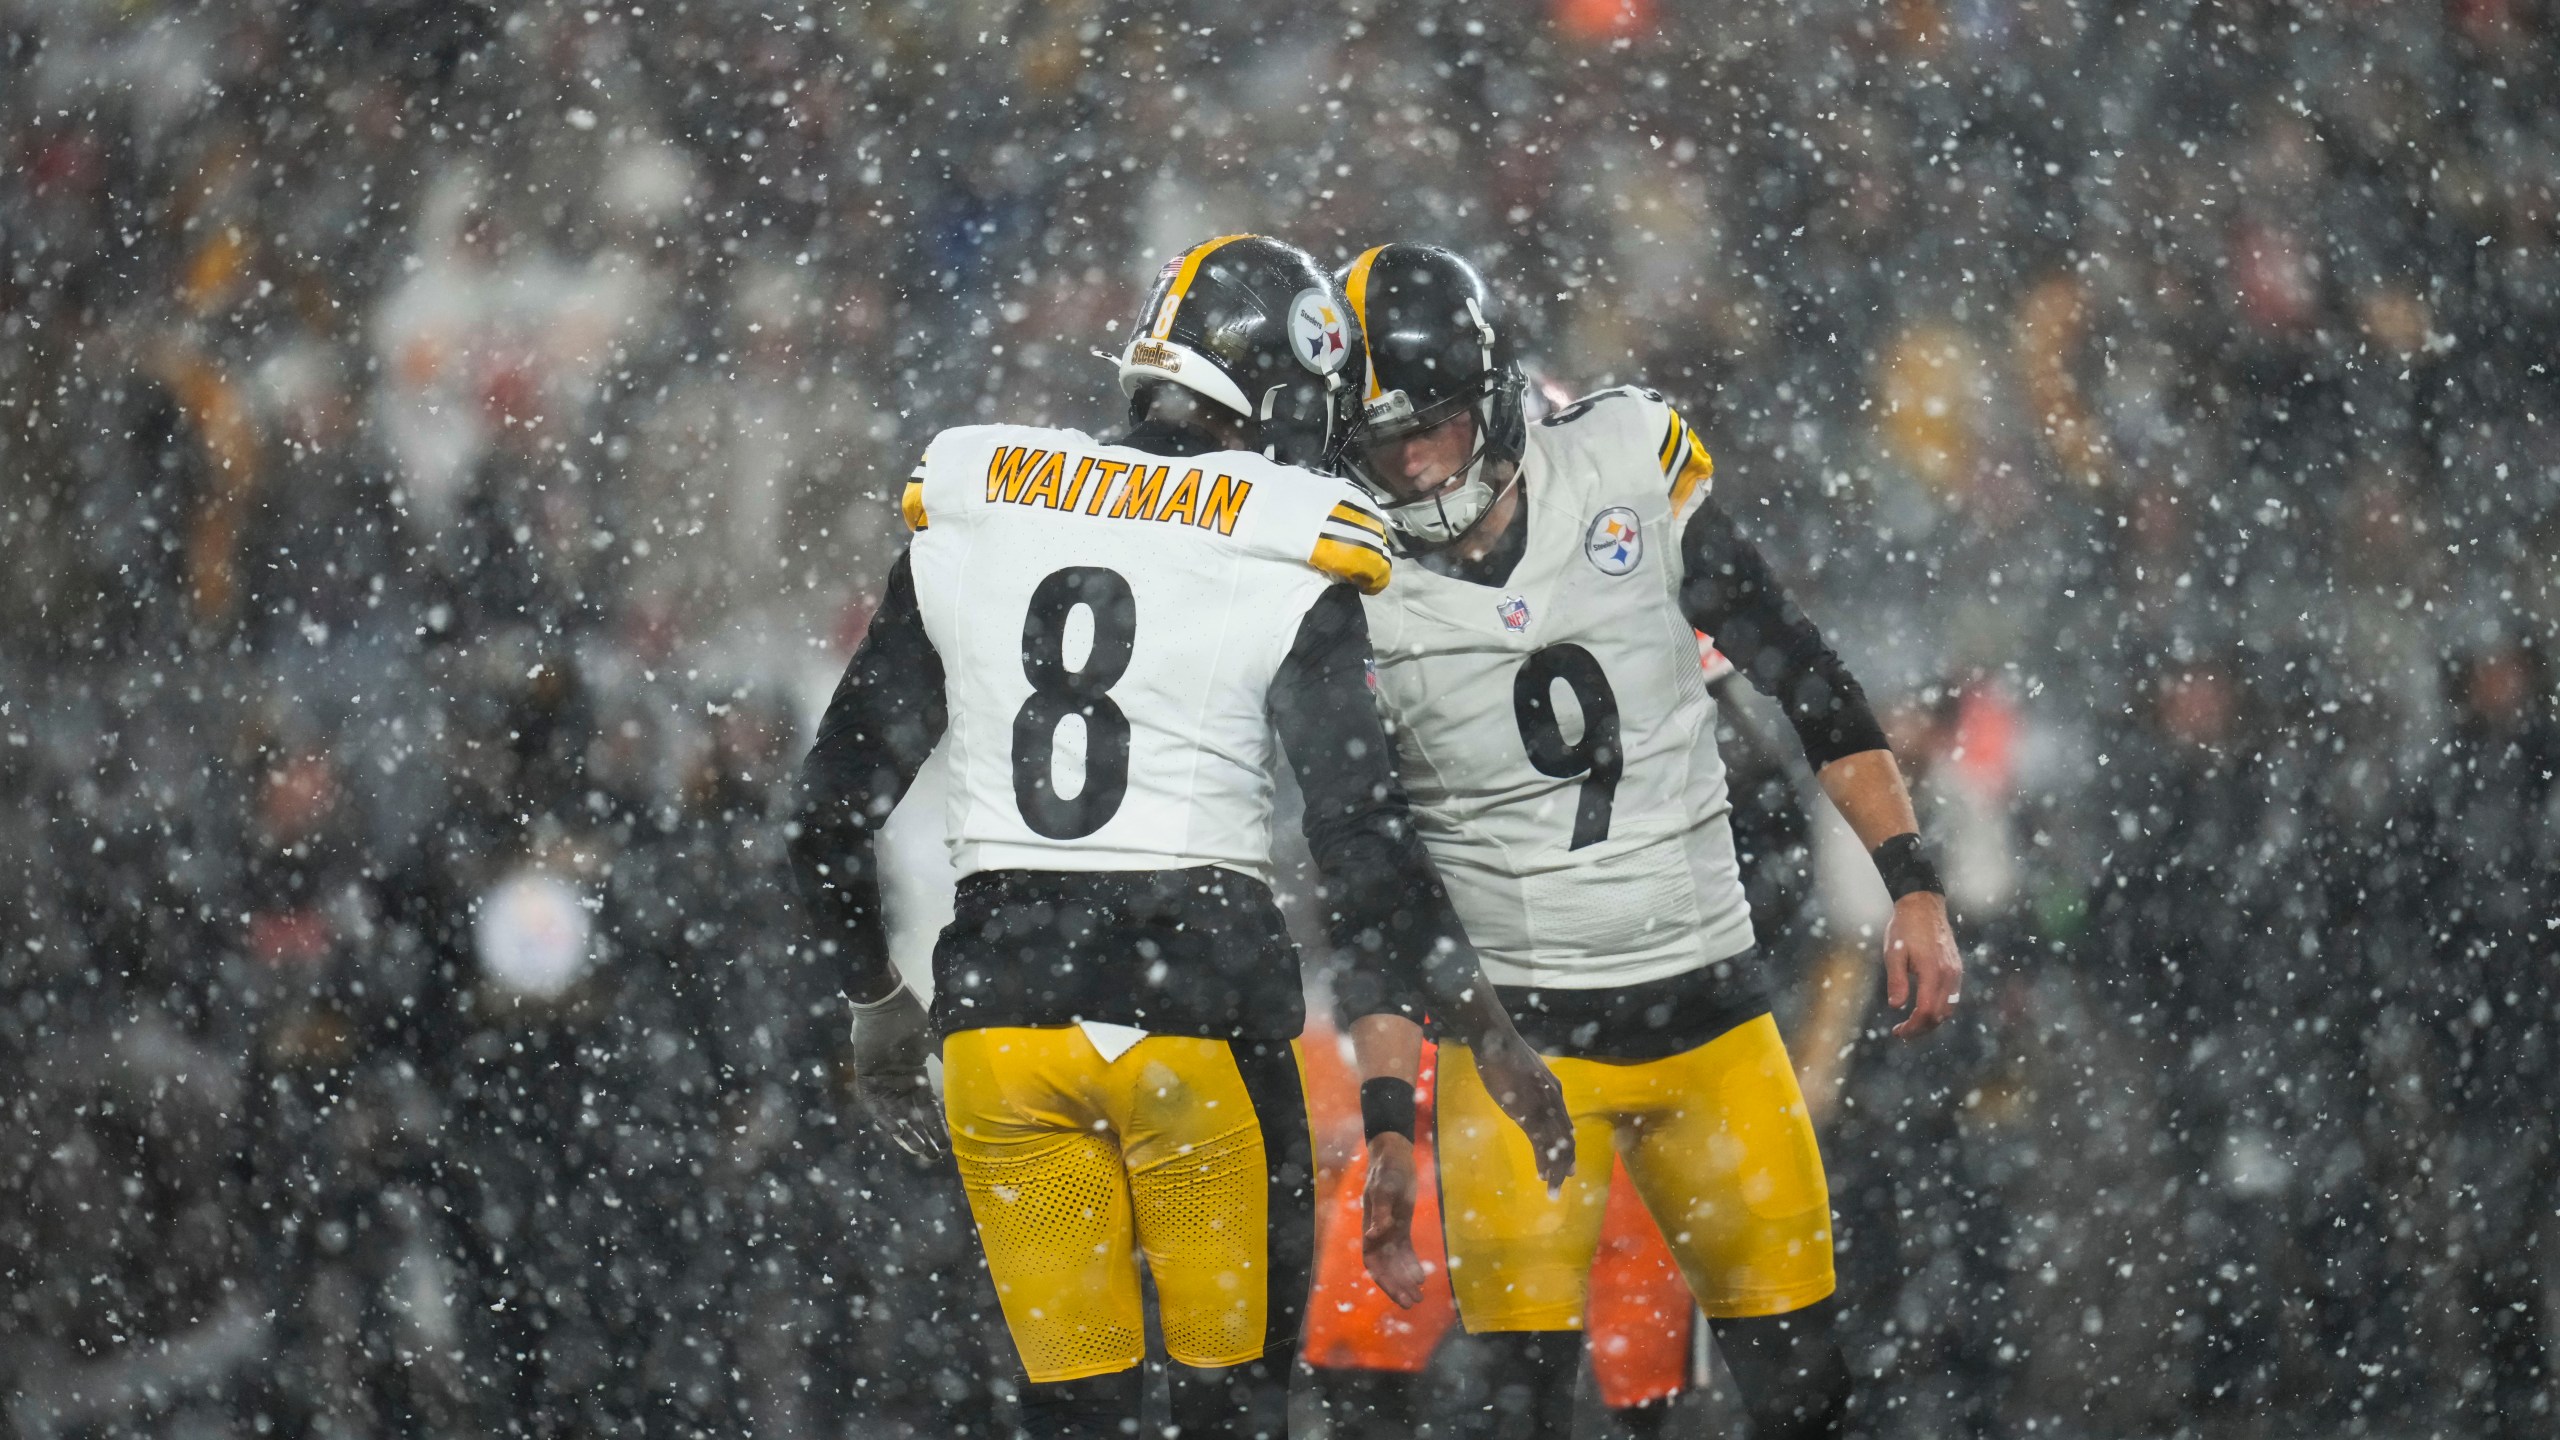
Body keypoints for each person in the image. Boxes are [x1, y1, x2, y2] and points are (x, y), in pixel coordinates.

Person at [787, 234, 1573, 1440]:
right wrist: (1463, 1051)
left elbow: (828, 813)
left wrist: (875, 1001)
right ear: (1282, 395)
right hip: (1194, 1014)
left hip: (1001, 1021)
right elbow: (1366, 855)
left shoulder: (981, 504)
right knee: (1234, 1414)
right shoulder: (1286, 536)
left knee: (1073, 1415)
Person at [1329, 243, 1965, 1440]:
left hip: (1708, 1016)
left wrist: (1911, 881)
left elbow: (1798, 670)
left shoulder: (1621, 463)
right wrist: (1382, 1109)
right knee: (1516, 1411)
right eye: (1378, 442)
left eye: (1432, 427)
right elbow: (1363, 865)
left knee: (1809, 1395)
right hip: (1517, 1044)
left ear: (1494, 391)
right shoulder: (1343, 572)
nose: (1409, 463)